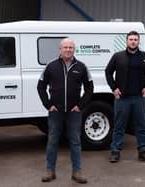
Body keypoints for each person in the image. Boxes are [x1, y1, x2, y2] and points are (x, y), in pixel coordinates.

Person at [37, 38, 94, 184]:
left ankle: (77, 172)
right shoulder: (51, 66)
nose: (68, 50)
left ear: (74, 49)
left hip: (74, 112)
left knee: (75, 141)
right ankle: (50, 171)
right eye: (65, 47)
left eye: (70, 47)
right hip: (56, 111)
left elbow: (89, 88)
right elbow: (40, 86)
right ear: (60, 50)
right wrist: (48, 104)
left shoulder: (81, 67)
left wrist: (80, 106)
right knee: (52, 141)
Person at [105, 31, 145, 163]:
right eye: (131, 39)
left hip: (139, 98)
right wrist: (114, 88)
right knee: (119, 126)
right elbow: (108, 72)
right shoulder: (118, 56)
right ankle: (115, 151)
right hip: (122, 98)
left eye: (135, 39)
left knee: (141, 126)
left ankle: (143, 152)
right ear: (126, 41)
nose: (133, 41)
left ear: (138, 41)